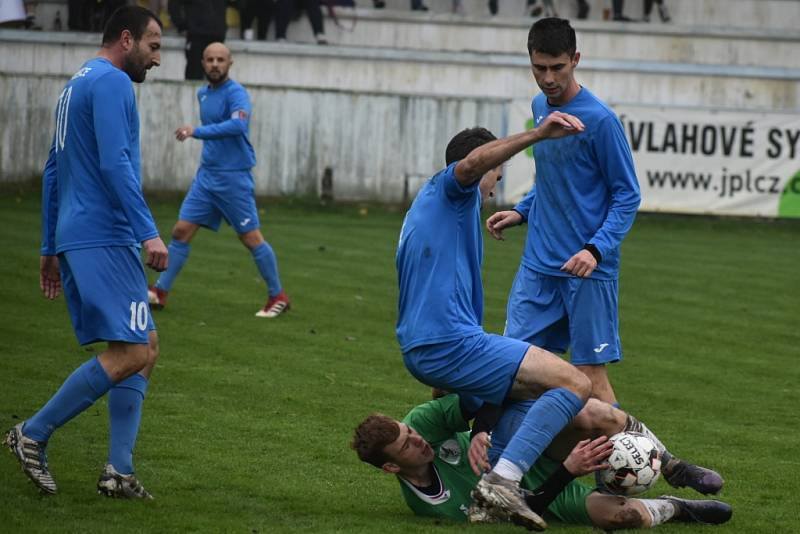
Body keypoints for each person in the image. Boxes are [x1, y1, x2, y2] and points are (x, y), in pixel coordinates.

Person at [397, 122, 601, 529]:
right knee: (575, 385)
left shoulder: (429, 206)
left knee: (525, 394)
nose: (493, 189)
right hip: (449, 342)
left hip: (426, 346)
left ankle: (494, 482)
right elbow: (471, 163)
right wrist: (538, 135)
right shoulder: (449, 190)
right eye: (497, 176)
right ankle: (503, 480)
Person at [4, 5, 167, 499]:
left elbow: (53, 169)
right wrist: (147, 232)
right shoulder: (113, 83)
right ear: (126, 39)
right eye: (154, 46)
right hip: (105, 233)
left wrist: (50, 245)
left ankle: (118, 471)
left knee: (147, 348)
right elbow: (117, 164)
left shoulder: (74, 85)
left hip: (80, 233)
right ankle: (32, 432)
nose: (157, 59)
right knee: (132, 351)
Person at [486, 18, 640, 406]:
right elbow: (552, 180)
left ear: (575, 60)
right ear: (530, 62)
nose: (549, 78)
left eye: (558, 67)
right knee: (511, 364)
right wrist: (522, 212)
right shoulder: (540, 108)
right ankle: (508, 457)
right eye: (540, 68)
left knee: (590, 379)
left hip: (586, 268)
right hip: (539, 264)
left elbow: (627, 195)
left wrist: (595, 249)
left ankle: (632, 461)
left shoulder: (601, 121)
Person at [351, 394, 732, 529]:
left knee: (593, 413)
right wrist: (569, 471)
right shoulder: (438, 507)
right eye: (408, 447)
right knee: (623, 518)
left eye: (410, 432)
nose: (418, 441)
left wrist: (482, 429)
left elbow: (491, 389)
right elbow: (529, 508)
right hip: (538, 490)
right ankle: (678, 508)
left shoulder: (421, 422)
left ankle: (671, 465)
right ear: (392, 468)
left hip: (520, 443)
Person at [148, 42, 290, 319]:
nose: (215, 64)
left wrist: (196, 131)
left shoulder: (237, 94)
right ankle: (160, 291)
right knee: (181, 231)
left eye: (220, 60)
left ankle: (278, 296)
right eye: (210, 59)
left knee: (251, 238)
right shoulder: (203, 93)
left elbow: (239, 125)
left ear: (230, 63)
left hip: (233, 179)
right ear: (202, 62)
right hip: (207, 177)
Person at [168, 0, 227, 80]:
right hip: (197, 36)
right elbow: (174, 3)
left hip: (217, 36)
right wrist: (181, 24)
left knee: (217, 78)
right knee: (194, 75)